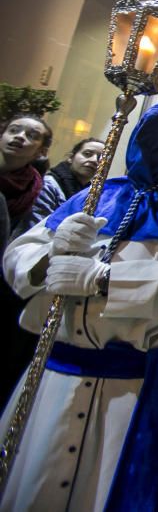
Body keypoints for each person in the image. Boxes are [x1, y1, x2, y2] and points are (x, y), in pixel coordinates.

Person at [0, 32, 158, 510]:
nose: (157, 146)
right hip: (59, 374)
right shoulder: (97, 194)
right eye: (150, 134)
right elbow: (20, 252)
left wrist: (99, 279)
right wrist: (50, 257)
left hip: (139, 382)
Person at [0, 114, 52, 406]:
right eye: (14, 130)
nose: (19, 137)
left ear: (41, 150)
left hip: (9, 289)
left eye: (31, 135)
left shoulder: (42, 189)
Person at [23, 137, 104, 231]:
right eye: (87, 154)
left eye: (101, 158)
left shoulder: (91, 194)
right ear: (70, 157)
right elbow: (37, 229)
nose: (94, 160)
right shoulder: (48, 185)